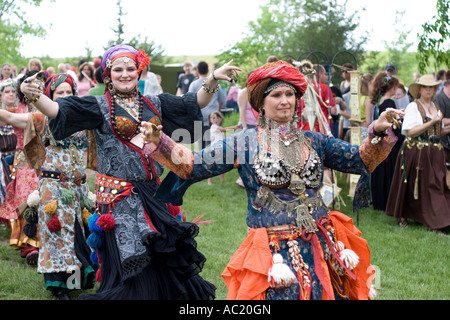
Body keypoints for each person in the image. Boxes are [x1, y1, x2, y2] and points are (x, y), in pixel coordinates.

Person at [141, 60, 403, 300]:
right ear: (260, 103)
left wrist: (377, 130)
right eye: (276, 95)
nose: (285, 100)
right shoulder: (244, 142)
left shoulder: (315, 140)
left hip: (322, 244)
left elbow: (359, 160)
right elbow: (193, 166)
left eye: (290, 94)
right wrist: (160, 141)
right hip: (275, 252)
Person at [20, 43, 241, 300]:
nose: (125, 74)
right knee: (133, 262)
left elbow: (194, 102)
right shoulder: (97, 106)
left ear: (139, 71)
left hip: (152, 193)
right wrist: (32, 94)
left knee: (161, 257)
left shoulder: (157, 102)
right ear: (108, 74)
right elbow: (57, 110)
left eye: (130, 69)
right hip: (118, 196)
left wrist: (213, 78)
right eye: (118, 70)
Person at [12, 72, 97, 299]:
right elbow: (10, 118)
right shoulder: (41, 118)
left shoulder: (83, 119)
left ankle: (76, 281)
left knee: (78, 233)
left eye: (69, 92)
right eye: (60, 92)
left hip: (79, 188)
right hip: (54, 187)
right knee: (57, 234)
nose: (66, 96)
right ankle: (59, 288)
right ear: (50, 94)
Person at [386, 75, 450, 232]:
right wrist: (432, 122)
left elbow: (438, 131)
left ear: (435, 90)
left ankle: (436, 219)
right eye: (425, 87)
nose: (428, 90)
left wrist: (445, 127)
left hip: (435, 152)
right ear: (420, 89)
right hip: (416, 151)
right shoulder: (413, 107)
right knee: (414, 185)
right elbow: (410, 131)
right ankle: (409, 217)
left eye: (431, 87)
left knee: (435, 185)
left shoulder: (435, 107)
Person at [0, 71, 41, 265]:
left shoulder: (51, 109)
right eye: (32, 84)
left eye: (40, 84)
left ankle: (47, 242)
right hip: (24, 162)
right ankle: (29, 246)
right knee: (26, 201)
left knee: (47, 199)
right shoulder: (17, 111)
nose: (37, 87)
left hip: (48, 162)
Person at [368, 71, 403, 211]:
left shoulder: (378, 102)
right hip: (390, 141)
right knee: (389, 171)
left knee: (380, 169)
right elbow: (394, 126)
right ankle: (388, 201)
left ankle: (379, 201)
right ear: (391, 87)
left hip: (380, 139)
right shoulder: (389, 102)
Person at [189, 61, 226, 150]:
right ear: (208, 70)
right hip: (213, 117)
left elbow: (189, 102)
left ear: (197, 71)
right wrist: (218, 111)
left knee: (201, 145)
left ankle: (203, 162)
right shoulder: (215, 83)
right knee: (213, 143)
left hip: (199, 117)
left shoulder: (193, 84)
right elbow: (222, 100)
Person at [207, 111, 240, 185]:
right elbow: (223, 130)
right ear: (210, 120)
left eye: (218, 118)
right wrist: (234, 127)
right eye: (213, 118)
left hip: (220, 149)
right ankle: (209, 181)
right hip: (215, 149)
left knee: (221, 164)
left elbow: (222, 135)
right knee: (213, 165)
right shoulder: (213, 127)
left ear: (221, 119)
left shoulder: (220, 127)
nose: (216, 120)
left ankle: (222, 180)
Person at [0, 79, 18, 186]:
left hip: (20, 160)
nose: (11, 94)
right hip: (2, 162)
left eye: (13, 91)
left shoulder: (22, 112)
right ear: (0, 96)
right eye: (7, 92)